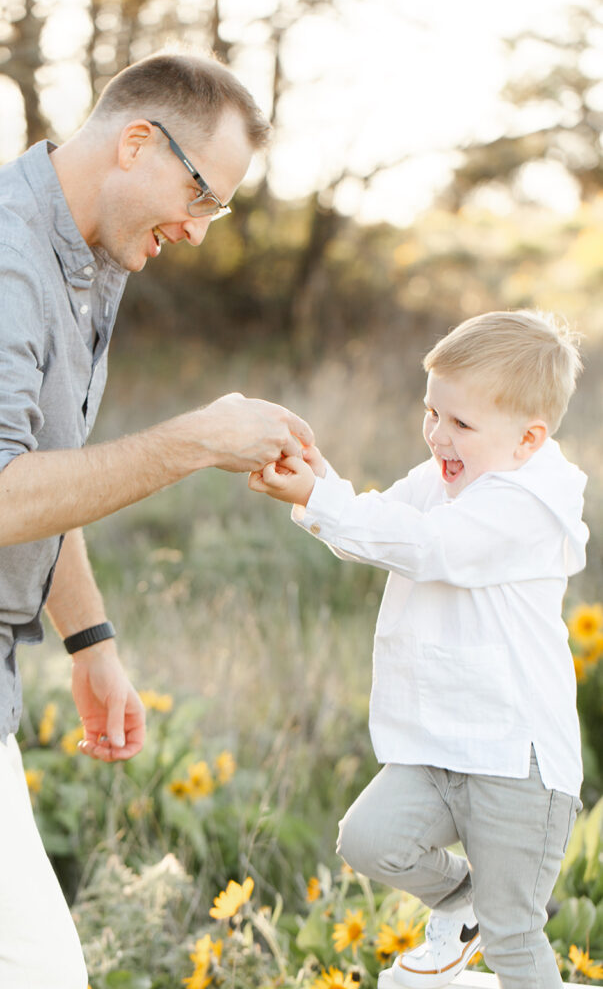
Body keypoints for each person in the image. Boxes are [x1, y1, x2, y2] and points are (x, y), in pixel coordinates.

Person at [0, 50, 313, 989]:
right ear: (138, 142)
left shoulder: (88, 256)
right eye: (202, 196)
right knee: (30, 973)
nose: (200, 228)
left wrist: (89, 640)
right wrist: (195, 440)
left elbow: (42, 466)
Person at [249, 310, 587, 989]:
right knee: (369, 840)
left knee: (515, 938)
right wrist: (321, 485)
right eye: (430, 411)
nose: (437, 434)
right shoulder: (442, 477)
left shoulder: (528, 506)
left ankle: (488, 916)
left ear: (527, 439)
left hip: (515, 760)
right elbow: (375, 527)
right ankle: (458, 901)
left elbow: (431, 548)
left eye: (460, 424)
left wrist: (322, 498)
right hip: (439, 746)